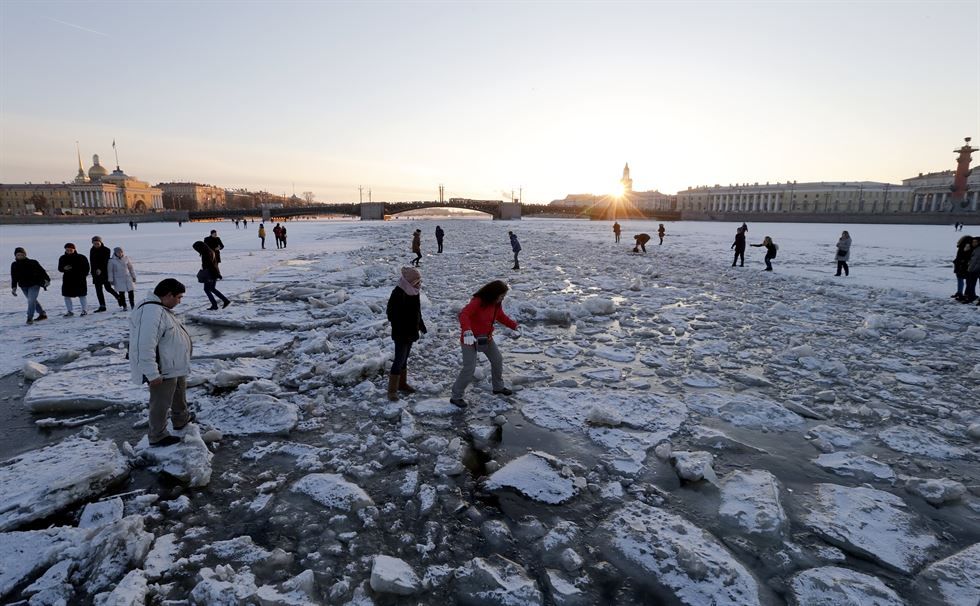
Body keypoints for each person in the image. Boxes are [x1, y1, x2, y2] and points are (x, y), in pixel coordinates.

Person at [130, 278, 194, 447]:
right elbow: (144, 345)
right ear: (168, 295)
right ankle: (157, 435)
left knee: (179, 394)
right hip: (162, 368)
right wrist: (152, 373)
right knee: (160, 402)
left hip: (173, 365)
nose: (180, 301)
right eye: (178, 297)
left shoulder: (160, 309)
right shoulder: (151, 312)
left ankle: (181, 419)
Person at [450, 280, 520, 407]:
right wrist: (467, 330)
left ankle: (498, 387)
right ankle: (456, 396)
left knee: (497, 360)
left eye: (503, 296)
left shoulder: (496, 304)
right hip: (469, 339)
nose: (502, 298)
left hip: (486, 338)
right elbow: (464, 314)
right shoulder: (478, 302)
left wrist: (514, 326)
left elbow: (501, 317)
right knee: (469, 368)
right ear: (494, 294)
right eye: (501, 296)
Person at [385, 266, 427, 401]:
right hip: (401, 332)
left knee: (404, 359)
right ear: (409, 281)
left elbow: (417, 311)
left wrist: (421, 325)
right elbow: (390, 313)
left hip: (411, 331)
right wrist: (401, 324)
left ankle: (402, 384)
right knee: (399, 359)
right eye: (417, 281)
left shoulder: (414, 291)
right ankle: (392, 390)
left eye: (419, 281)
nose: (419, 284)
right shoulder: (398, 293)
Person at [10, 247, 50, 325]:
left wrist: (47, 280)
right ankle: (42, 314)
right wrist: (14, 288)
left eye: (22, 254)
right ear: (15, 256)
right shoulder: (14, 264)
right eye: (18, 255)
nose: (20, 256)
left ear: (25, 254)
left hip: (35, 284)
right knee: (33, 300)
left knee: (31, 300)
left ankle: (29, 318)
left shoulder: (33, 262)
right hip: (23, 286)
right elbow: (14, 276)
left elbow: (42, 271)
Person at [192, 241, 230, 310]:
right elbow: (214, 264)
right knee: (212, 288)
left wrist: (217, 274)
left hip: (210, 273)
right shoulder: (210, 251)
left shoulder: (206, 253)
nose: (197, 250)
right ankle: (225, 301)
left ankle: (215, 305)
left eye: (196, 249)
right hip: (213, 273)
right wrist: (217, 273)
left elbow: (211, 265)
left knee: (207, 289)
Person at [58, 243, 90, 316]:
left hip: (80, 279)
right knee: (66, 296)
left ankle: (84, 310)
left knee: (82, 295)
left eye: (70, 250)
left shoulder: (81, 257)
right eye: (67, 250)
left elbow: (87, 268)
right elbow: (60, 268)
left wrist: (83, 275)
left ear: (74, 249)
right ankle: (70, 311)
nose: (69, 251)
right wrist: (64, 268)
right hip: (67, 279)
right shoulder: (62, 258)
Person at [89, 236, 118, 312]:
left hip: (105, 272)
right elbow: (92, 262)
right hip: (95, 273)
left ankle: (119, 298)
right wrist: (93, 271)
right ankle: (102, 306)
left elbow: (105, 261)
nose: (96, 245)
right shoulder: (92, 250)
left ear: (101, 242)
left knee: (108, 288)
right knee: (98, 290)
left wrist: (100, 269)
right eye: (94, 243)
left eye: (97, 243)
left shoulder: (106, 250)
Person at [952, 235, 974, 300]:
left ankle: (960, 293)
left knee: (960, 279)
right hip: (964, 265)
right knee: (964, 280)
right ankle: (962, 293)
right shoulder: (970, 246)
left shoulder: (964, 246)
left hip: (961, 265)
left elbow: (961, 256)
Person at [962, 236, 980, 304]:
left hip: (975, 270)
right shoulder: (975, 249)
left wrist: (971, 269)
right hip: (973, 269)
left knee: (971, 284)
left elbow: (975, 261)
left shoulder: (978, 250)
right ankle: (970, 296)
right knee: (970, 284)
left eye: (975, 242)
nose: (973, 243)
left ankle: (971, 297)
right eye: (972, 242)